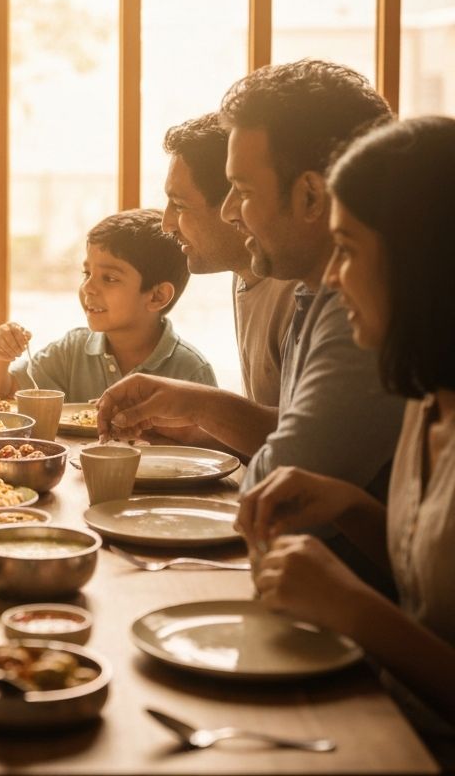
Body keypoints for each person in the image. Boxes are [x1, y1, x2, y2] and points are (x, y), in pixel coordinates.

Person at [96, 61, 405, 580]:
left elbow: (277, 489)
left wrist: (202, 413)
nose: (231, 213)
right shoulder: (312, 289)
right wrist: (195, 409)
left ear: (309, 195)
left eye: (240, 189)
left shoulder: (360, 307)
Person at [237, 116, 455, 759]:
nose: (332, 278)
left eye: (350, 250)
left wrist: (356, 611)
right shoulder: (426, 398)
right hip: (379, 726)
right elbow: (434, 606)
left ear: (422, 264)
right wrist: (353, 509)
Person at [0, 208, 216, 402]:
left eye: (109, 278)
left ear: (157, 296)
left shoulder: (191, 372)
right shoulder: (72, 351)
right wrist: (0, 355)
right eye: (86, 273)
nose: (88, 287)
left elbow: (211, 454)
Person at [162, 113, 296, 406]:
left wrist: (201, 406)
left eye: (179, 205)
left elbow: (304, 440)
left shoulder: (299, 292)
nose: (166, 224)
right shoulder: (244, 272)